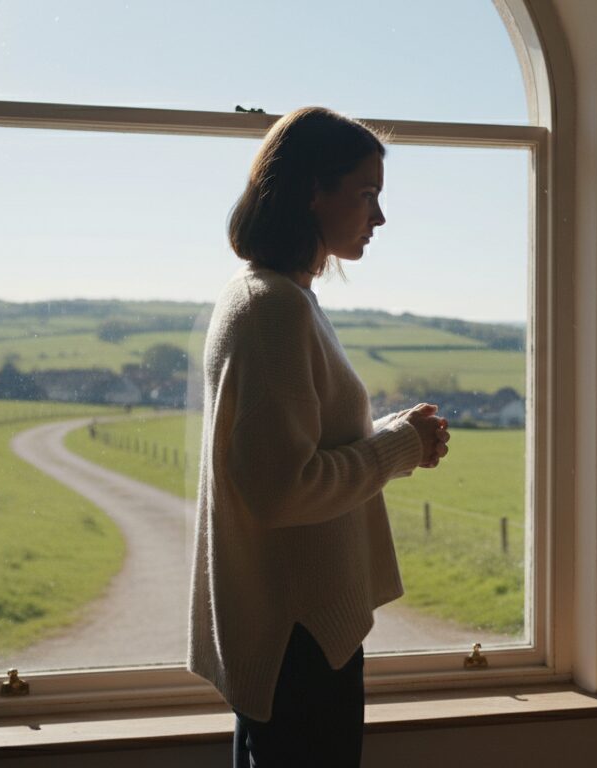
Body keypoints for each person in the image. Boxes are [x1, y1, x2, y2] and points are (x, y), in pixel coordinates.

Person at [187, 106, 450, 766]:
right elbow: (281, 490)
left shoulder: (281, 295)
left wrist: (398, 436)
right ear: (313, 191)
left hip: (297, 631)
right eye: (366, 194)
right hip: (296, 642)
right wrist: (399, 447)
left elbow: (298, 451)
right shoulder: (271, 307)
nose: (379, 217)